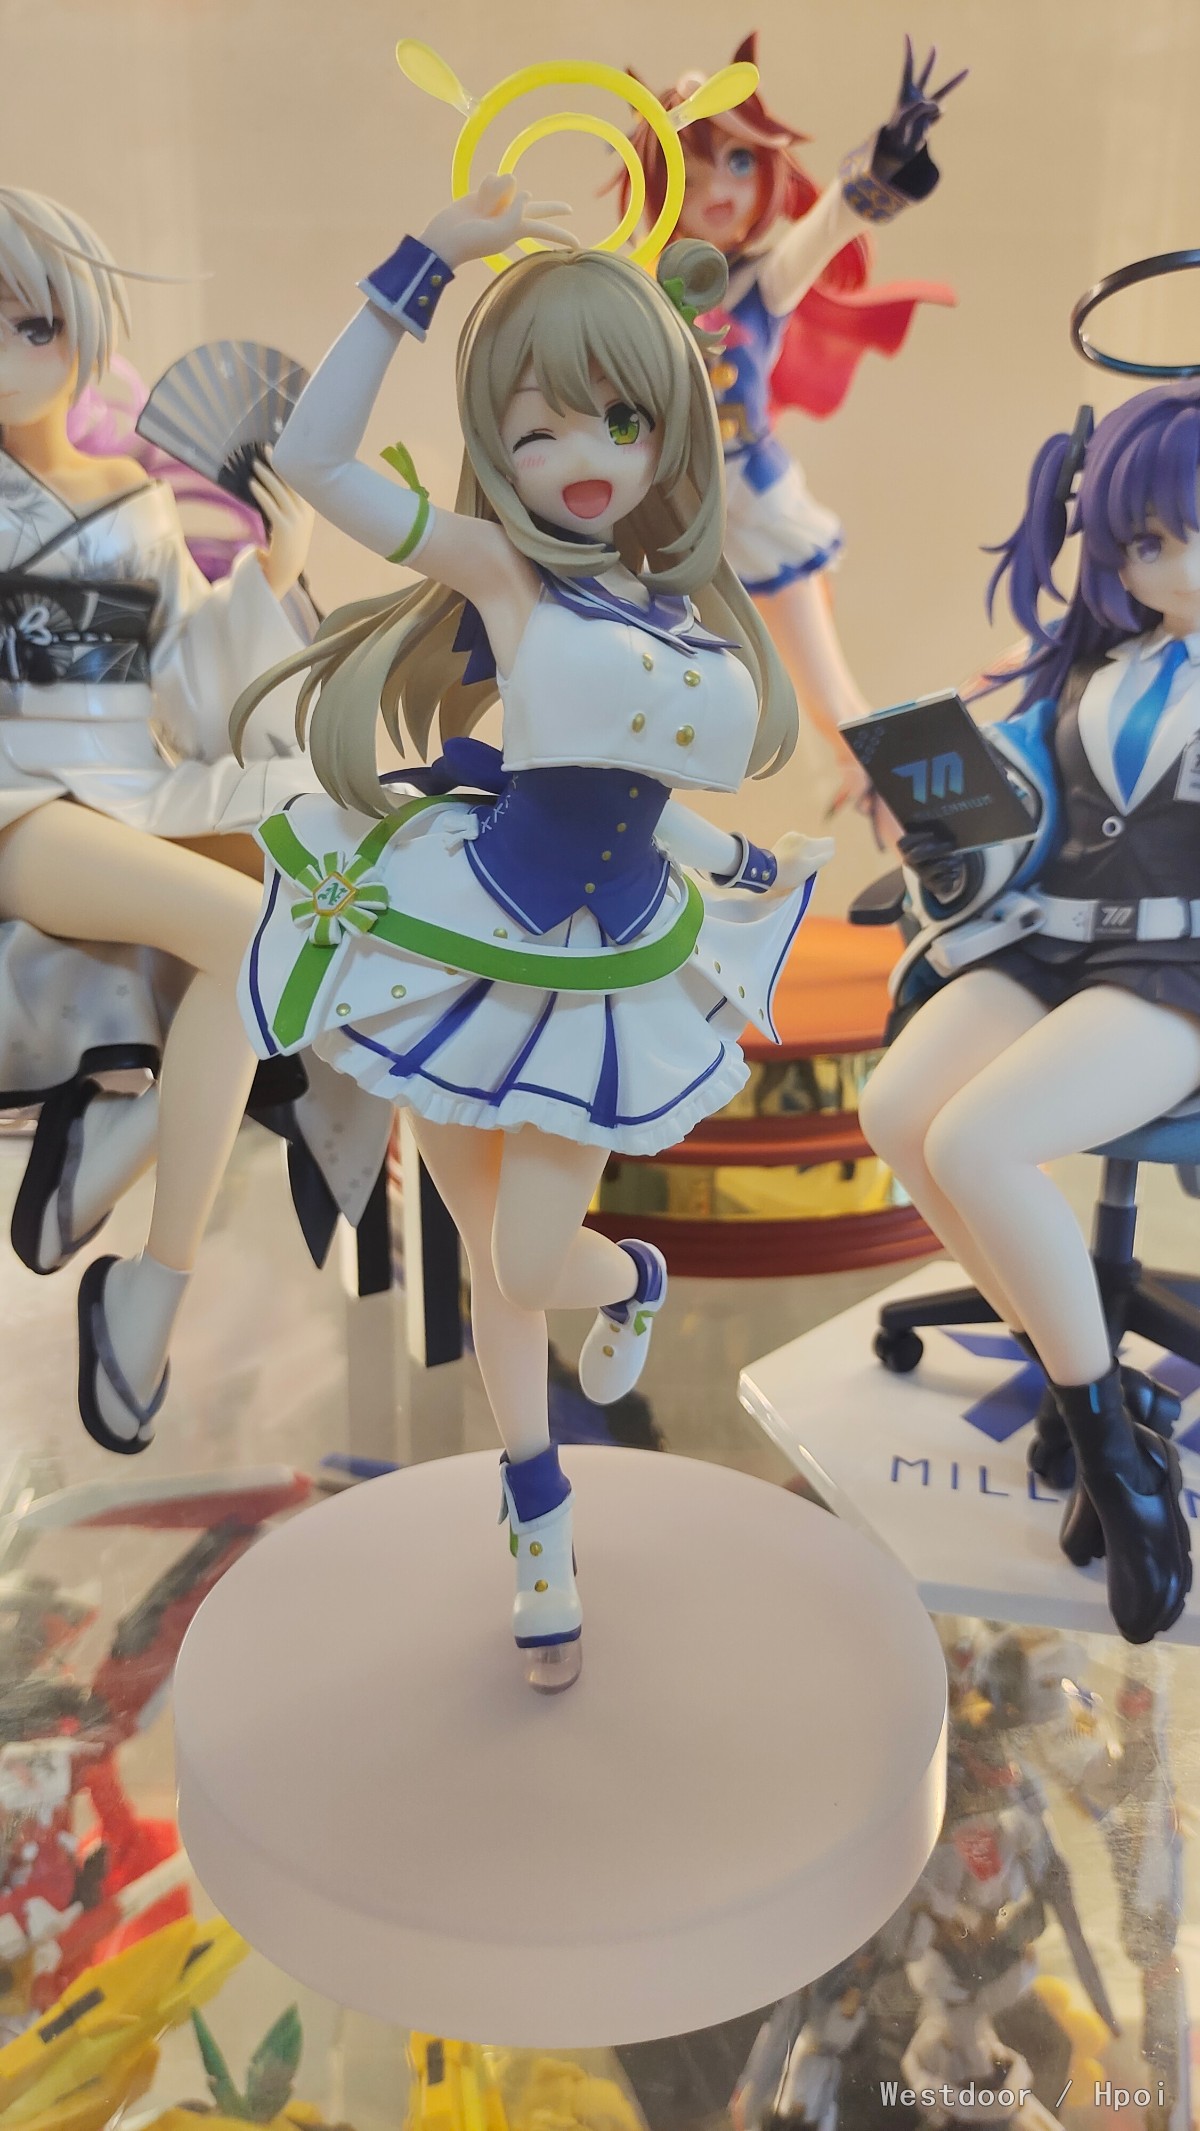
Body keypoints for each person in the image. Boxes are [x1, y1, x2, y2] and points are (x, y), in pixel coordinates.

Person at [232, 174, 832, 1686]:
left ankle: (629, 1280)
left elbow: (640, 794)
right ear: (497, 440)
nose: (581, 459)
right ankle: (537, 1508)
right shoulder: (503, 571)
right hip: (466, 937)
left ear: (667, 435)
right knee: (491, 1264)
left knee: (532, 1250)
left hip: (606, 970)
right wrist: (421, 262)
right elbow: (313, 457)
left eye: (619, 422)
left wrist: (741, 857)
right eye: (539, 428)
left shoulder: (677, 614)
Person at [859, 386, 1200, 1645]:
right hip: (1052, 944)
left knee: (979, 1141)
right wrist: (941, 830)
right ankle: (1084, 1385)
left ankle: (1121, 1465)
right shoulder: (1093, 667)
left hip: (1179, 972)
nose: (1175, 565)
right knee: (898, 1108)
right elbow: (1016, 817)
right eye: (1148, 541)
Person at [0, 187, 315, 1451]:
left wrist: (273, 573)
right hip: (21, 799)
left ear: (82, 329)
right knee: (246, 928)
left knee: (320, 883)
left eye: (36, 325)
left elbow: (190, 685)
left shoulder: (132, 497)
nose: (14, 352)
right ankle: (151, 1284)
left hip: (137, 777)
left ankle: (120, 1149)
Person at [620, 35, 962, 822]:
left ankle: (924, 823)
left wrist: (885, 160)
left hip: (754, 500)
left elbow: (832, 222)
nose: (719, 188)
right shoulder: (631, 289)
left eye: (739, 162)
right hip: (661, 518)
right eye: (692, 168)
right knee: (649, 690)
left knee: (833, 696)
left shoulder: (760, 281)